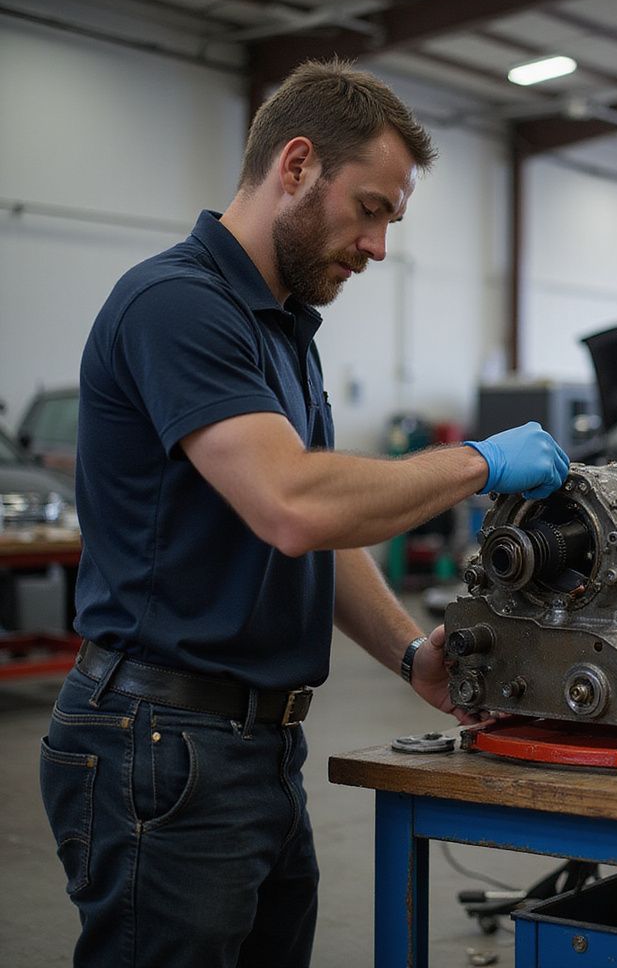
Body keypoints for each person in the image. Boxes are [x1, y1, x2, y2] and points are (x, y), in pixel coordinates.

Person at [39, 58, 569, 968]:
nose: (377, 247)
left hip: (254, 745)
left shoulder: (280, 331)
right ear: (295, 167)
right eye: (369, 209)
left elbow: (317, 533)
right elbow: (292, 505)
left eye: (391, 222)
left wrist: (413, 658)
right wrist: (477, 462)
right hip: (162, 744)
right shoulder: (177, 305)